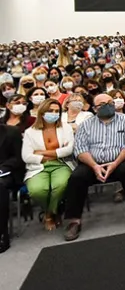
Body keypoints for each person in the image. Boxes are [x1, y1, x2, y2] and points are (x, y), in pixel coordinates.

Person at [63, 93, 125, 241]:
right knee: (77, 177)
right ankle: (74, 221)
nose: (108, 106)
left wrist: (114, 163)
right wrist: (95, 166)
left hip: (120, 160)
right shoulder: (85, 125)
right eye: (102, 104)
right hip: (92, 163)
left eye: (110, 102)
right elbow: (80, 149)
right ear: (95, 109)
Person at [22, 99, 75, 231]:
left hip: (61, 164)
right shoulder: (30, 132)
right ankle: (52, 210)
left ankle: (49, 214)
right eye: (50, 111)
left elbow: (69, 150)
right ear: (42, 112)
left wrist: (42, 152)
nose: (54, 113)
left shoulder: (66, 127)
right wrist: (45, 157)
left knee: (60, 185)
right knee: (37, 190)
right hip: (39, 166)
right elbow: (26, 156)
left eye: (57, 111)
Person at [0, 123, 25, 252]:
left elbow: (18, 158)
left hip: (7, 173)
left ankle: (2, 234)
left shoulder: (12, 132)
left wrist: (2, 168)